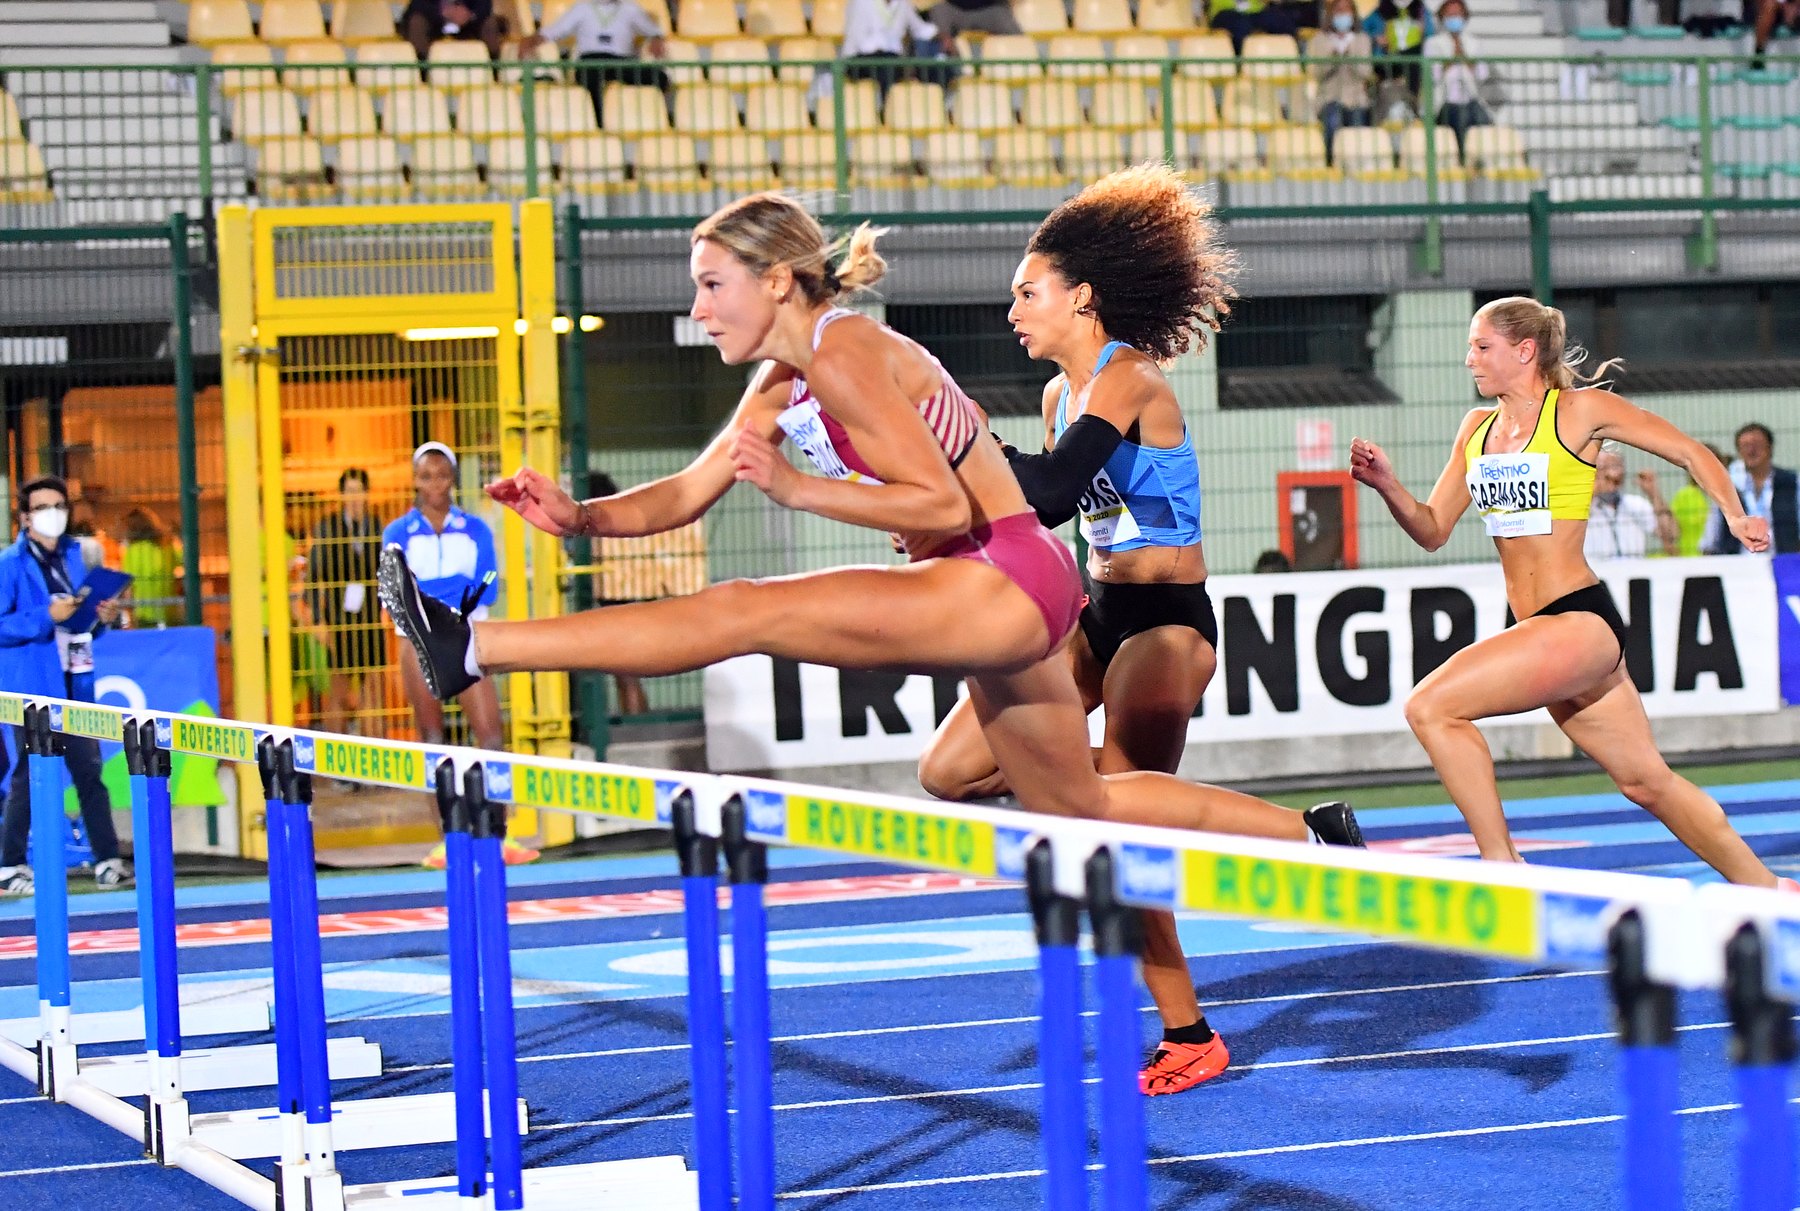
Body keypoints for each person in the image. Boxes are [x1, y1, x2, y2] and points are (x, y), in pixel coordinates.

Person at [379, 191, 1364, 989]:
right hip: (1003, 582)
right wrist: (579, 516)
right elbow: (686, 490)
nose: (699, 310)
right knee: (1080, 802)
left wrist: (800, 487)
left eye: (712, 285)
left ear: (777, 280)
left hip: (1004, 571)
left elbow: (938, 499)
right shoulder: (781, 379)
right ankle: (1311, 834)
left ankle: (475, 646)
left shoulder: (845, 350)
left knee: (750, 608)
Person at [912, 166, 1356, 1097]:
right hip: (1093, 615)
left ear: (1081, 296)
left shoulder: (1131, 380)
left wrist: (961, 437)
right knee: (950, 771)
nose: (1012, 313)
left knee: (1112, 819)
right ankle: (1253, 842)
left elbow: (1052, 489)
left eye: (1026, 294)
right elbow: (1035, 517)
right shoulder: (1055, 397)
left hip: (1167, 623)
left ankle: (1207, 1002)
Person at [1347, 297, 1790, 890]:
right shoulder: (1476, 429)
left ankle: (1504, 868)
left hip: (1579, 620)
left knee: (1431, 707)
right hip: (1541, 629)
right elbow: (1431, 530)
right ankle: (1768, 889)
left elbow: (1689, 451)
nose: (1469, 359)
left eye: (1482, 346)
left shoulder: (1579, 412)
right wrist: (1387, 485)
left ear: (1524, 351)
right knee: (1645, 783)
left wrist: (1734, 515)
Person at [382, 443, 537, 866]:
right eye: (426, 475)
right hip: (417, 642)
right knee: (432, 739)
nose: (434, 483)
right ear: (415, 480)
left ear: (452, 478)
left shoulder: (476, 529)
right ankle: (448, 841)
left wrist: (428, 593)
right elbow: (395, 592)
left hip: (468, 639)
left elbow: (488, 583)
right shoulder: (397, 532)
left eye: (441, 474)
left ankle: (497, 835)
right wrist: (454, 588)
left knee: (491, 736)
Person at [0, 476, 133, 894]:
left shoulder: (77, 556)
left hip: (75, 679)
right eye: (42, 507)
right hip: (31, 686)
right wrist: (46, 616)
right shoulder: (9, 564)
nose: (53, 514)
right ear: (24, 517)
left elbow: (83, 622)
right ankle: (11, 864)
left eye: (59, 506)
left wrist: (102, 618)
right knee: (29, 773)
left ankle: (107, 859)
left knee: (89, 771)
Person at [305, 469, 386, 741]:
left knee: (373, 692)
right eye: (349, 491)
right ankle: (334, 753)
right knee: (338, 691)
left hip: (370, 619)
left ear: (366, 494)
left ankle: (375, 752)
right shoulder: (327, 529)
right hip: (338, 621)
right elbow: (313, 577)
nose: (354, 497)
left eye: (358, 491)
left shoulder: (377, 527)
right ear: (341, 495)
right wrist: (318, 620)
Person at [520, 0, 670, 127]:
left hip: (622, 62)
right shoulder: (582, 7)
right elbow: (553, 32)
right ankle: (598, 125)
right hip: (591, 61)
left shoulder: (630, 8)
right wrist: (530, 42)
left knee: (659, 77)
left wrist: (656, 40)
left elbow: (655, 31)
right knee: (590, 79)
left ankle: (652, 119)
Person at [1703, 422, 1800, 555]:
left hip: (1781, 559)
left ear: (1770, 448)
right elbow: (1712, 533)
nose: (1751, 451)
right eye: (1745, 446)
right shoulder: (1729, 484)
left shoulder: (1791, 483)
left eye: (1757, 445)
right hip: (1738, 560)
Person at [840, 0, 956, 96]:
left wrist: (942, 36)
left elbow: (919, 29)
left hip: (892, 61)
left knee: (935, 67)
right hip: (858, 60)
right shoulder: (860, 2)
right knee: (889, 67)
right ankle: (887, 111)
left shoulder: (902, 3)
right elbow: (858, 41)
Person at [1584, 446, 1676, 561]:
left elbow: (1672, 534)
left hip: (1634, 569)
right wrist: (1592, 490)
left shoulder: (1635, 504)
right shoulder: (1585, 506)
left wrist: (1653, 493)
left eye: (1616, 466)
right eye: (1604, 467)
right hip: (1596, 569)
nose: (1612, 473)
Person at [1310, 0, 1374, 165]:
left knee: (1358, 124)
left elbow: (1366, 72)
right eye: (1338, 10)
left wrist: (1349, 56)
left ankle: (1358, 165)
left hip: (1356, 99)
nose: (1342, 15)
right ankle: (1331, 162)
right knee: (1333, 119)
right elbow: (1316, 73)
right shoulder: (1319, 40)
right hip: (1328, 98)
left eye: (1346, 10)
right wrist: (1333, 59)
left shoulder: (1362, 39)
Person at [1423, 0, 1489, 157]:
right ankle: (1462, 159)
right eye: (1450, 15)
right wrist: (1452, 59)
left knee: (1485, 122)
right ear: (1442, 18)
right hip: (1444, 103)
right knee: (1460, 116)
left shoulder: (1473, 43)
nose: (1454, 18)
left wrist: (1465, 58)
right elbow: (1433, 75)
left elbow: (1483, 74)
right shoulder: (1434, 43)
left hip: (1471, 100)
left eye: (1457, 14)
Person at [1363, 0, 1431, 120]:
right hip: (1387, 60)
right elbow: (1361, 30)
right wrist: (1375, 38)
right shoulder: (1379, 12)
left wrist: (1424, 31)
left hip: (1412, 62)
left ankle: (1412, 102)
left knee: (1415, 57)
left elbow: (1431, 33)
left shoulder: (1421, 10)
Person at [1669, 442, 1728, 557]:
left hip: (1724, 557)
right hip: (1692, 558)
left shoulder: (1730, 494)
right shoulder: (1685, 495)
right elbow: (1673, 533)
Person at [121, 507, 177, 627]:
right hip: (168, 610)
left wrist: (129, 614)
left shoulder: (132, 552)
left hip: (144, 613)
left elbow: (128, 589)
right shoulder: (167, 547)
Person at [400, 0, 504, 62]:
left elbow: (485, 6)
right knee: (416, 23)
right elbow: (416, 6)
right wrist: (444, 12)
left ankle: (494, 70)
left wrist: (469, 15)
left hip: (467, 24)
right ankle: (423, 71)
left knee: (490, 24)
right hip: (435, 22)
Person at [1204, 0, 1297, 54]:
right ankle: (1240, 65)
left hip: (1254, 12)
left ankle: (1293, 62)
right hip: (1224, 12)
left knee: (1281, 21)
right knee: (1241, 26)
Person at [925, 0, 1020, 40]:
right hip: (957, 10)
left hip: (990, 10)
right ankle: (946, 57)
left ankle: (1021, 55)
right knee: (939, 9)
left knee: (1003, 17)